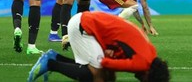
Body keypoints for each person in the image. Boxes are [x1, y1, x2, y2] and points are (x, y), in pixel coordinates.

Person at [28, 11, 170, 82]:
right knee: (96, 76)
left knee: (105, 76)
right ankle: (51, 63)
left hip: (87, 23)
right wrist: (108, 58)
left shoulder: (151, 52)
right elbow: (105, 62)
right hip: (85, 26)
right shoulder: (142, 64)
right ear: (149, 76)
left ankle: (55, 57)